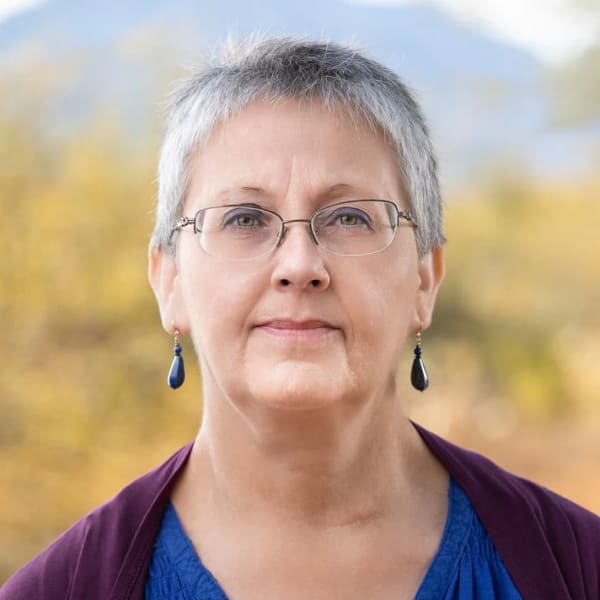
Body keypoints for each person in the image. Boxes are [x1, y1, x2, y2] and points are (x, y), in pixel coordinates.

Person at [2, 35, 599, 600]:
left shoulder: (577, 569)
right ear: (170, 279)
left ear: (424, 277)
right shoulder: (62, 589)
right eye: (244, 219)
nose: (299, 265)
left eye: (349, 218)